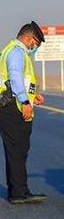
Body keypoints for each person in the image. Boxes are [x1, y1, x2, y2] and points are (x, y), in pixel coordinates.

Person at [0, 22, 47, 204]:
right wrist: (25, 101)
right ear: (28, 38)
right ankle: (19, 193)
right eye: (35, 43)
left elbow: (15, 82)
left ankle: (17, 190)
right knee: (18, 149)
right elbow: (15, 77)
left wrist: (32, 96)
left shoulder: (9, 50)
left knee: (15, 149)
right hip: (13, 106)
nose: (34, 47)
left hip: (9, 102)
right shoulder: (17, 52)